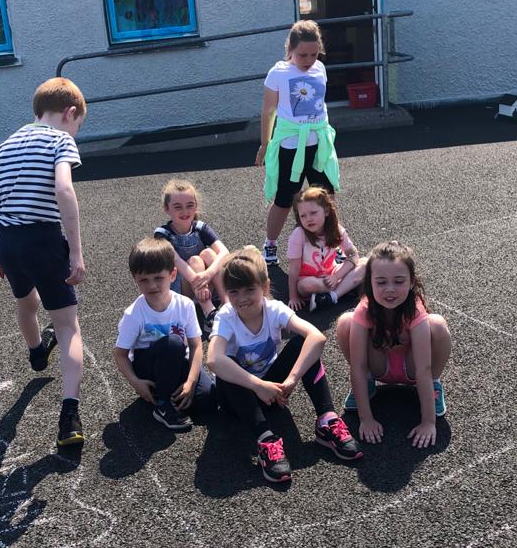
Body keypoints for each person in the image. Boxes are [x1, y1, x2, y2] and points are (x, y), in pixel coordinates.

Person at [0, 77, 87, 448]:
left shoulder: (7, 144)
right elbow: (64, 190)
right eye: (77, 124)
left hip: (9, 241)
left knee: (27, 301)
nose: (75, 131)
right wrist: (75, 252)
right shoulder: (60, 141)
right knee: (67, 326)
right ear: (70, 113)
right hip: (43, 239)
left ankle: (37, 351)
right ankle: (69, 416)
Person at [207, 247, 361, 482]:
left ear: (265, 287)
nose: (242, 298)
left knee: (303, 343)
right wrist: (258, 385)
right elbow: (213, 359)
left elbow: (317, 337)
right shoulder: (226, 316)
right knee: (228, 365)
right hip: (238, 398)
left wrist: (292, 378)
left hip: (272, 390)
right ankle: (265, 438)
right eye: (234, 292)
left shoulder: (274, 309)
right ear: (226, 293)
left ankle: (326, 419)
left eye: (249, 289)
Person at [336, 241, 452, 449]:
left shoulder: (414, 309)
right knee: (346, 322)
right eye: (381, 282)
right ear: (370, 282)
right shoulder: (365, 308)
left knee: (437, 324)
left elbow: (423, 368)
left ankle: (434, 386)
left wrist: (428, 422)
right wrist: (365, 419)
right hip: (379, 367)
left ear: (411, 282)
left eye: (398, 281)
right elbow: (358, 366)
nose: (390, 289)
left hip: (412, 370)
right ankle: (367, 385)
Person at [255, 20, 340, 266]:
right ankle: (270, 243)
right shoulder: (278, 73)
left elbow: (320, 105)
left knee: (326, 197)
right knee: (284, 199)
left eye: (314, 54)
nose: (309, 60)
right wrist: (265, 144)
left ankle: (333, 243)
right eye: (303, 54)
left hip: (319, 144)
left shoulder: (320, 68)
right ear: (290, 48)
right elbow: (268, 111)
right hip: (291, 146)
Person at [114, 237, 215, 431]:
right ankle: (163, 404)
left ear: (173, 274)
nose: (152, 286)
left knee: (208, 399)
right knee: (174, 343)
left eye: (158, 278)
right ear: (135, 279)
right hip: (148, 368)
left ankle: (169, 394)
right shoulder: (134, 313)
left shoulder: (185, 305)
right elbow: (120, 354)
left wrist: (191, 382)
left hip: (177, 361)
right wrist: (136, 382)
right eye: (144, 280)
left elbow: (196, 346)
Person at [154, 179, 229, 334]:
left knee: (208, 253)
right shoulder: (163, 234)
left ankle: (228, 305)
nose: (185, 211)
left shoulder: (200, 227)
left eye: (189, 205)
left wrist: (207, 274)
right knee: (195, 260)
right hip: (182, 290)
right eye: (178, 207)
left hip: (205, 284)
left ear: (196, 206)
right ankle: (209, 312)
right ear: (167, 209)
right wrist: (198, 280)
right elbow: (176, 260)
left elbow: (225, 252)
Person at [287, 186, 367, 313]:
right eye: (303, 216)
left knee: (366, 263)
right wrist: (293, 297)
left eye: (313, 213)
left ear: (326, 211)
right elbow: (294, 268)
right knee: (306, 285)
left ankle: (332, 296)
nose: (308, 219)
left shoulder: (336, 229)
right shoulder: (299, 234)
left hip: (331, 275)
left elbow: (353, 255)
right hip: (309, 279)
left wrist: (336, 276)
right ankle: (347, 287)